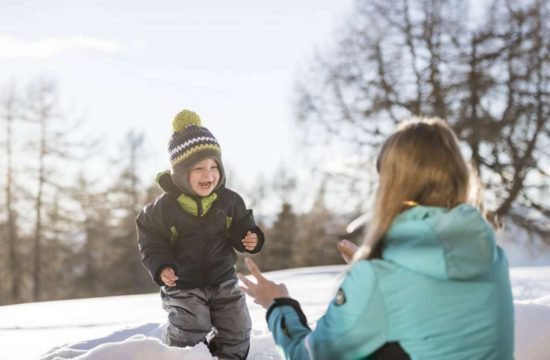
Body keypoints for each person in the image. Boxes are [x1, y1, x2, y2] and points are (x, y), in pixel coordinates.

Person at [238, 117, 514, 359]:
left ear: (391, 184)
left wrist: (277, 304)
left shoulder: (380, 278)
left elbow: (308, 355)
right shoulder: (490, 257)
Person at [136, 109, 265, 359]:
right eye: (199, 169)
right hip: (183, 284)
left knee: (237, 328)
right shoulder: (162, 210)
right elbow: (152, 243)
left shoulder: (230, 201)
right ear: (181, 173)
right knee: (191, 329)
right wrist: (161, 267)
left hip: (223, 279)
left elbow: (242, 225)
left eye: (214, 166)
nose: (209, 175)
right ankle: (182, 354)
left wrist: (250, 237)